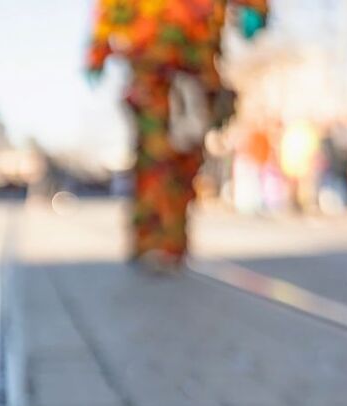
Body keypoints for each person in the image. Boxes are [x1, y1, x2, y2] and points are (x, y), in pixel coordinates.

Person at [87, 0, 269, 267]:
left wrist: (256, 9)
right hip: (152, 66)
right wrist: (97, 51)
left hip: (196, 64)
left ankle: (171, 242)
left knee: (185, 156)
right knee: (154, 157)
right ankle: (151, 240)